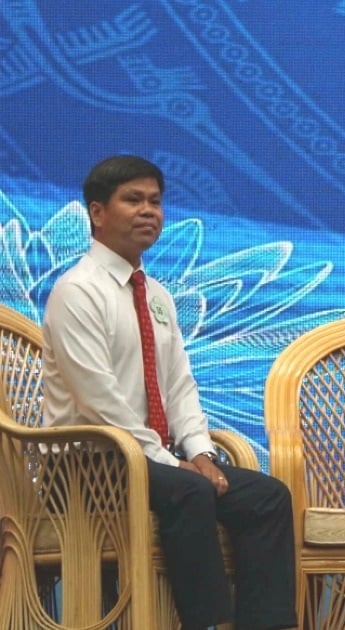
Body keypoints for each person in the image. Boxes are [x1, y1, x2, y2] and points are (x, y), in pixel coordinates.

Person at [41, 155, 297, 630]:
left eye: (155, 202)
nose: (148, 211)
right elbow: (100, 401)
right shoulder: (77, 290)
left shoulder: (155, 293)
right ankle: (209, 623)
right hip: (86, 462)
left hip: (152, 458)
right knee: (187, 492)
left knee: (267, 497)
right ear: (97, 213)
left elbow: (178, 385)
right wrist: (167, 461)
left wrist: (199, 452)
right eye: (133, 200)